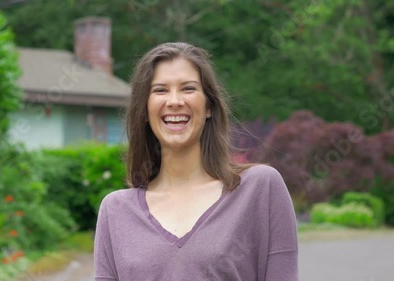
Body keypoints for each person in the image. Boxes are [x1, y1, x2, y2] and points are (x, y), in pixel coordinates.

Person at [94, 42, 298, 281]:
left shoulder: (260, 188)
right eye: (160, 90)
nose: (174, 101)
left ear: (209, 105)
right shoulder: (116, 211)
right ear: (145, 111)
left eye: (188, 88)